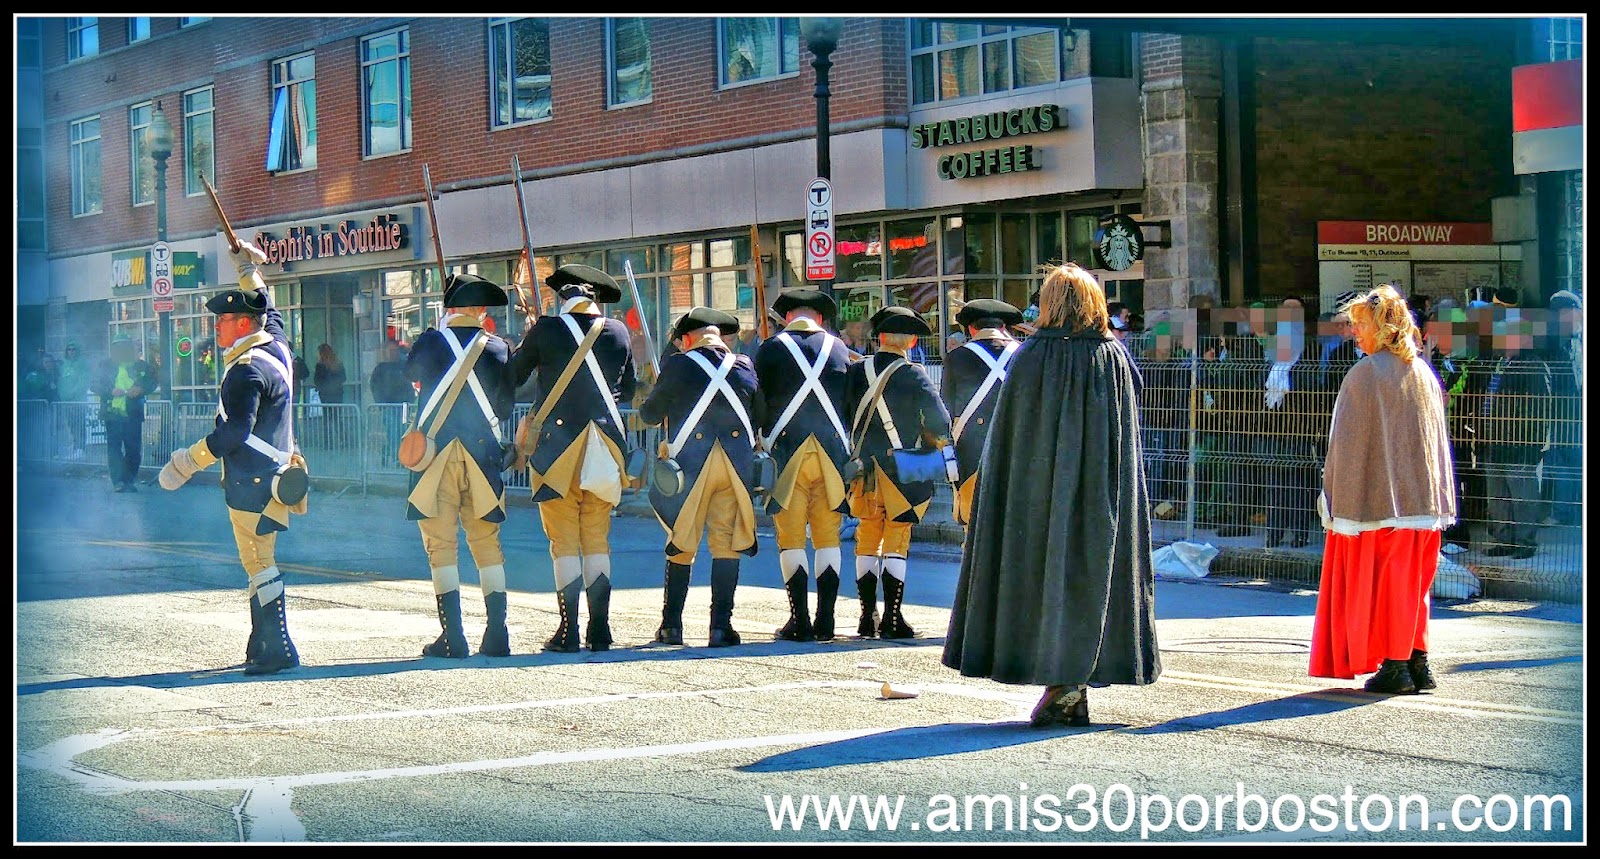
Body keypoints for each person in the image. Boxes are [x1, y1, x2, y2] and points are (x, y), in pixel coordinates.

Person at [943, 262, 1160, 727]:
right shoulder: (1113, 356)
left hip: (1036, 494)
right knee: (1095, 575)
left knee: (1040, 578)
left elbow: (1009, 435)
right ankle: (1072, 684)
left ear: (1048, 304)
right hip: (1102, 492)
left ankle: (1061, 683)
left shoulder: (1031, 356)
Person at [157, 241, 305, 675]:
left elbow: (235, 432)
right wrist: (247, 267)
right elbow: (270, 310)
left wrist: (187, 461)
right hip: (276, 473)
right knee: (260, 561)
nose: (216, 327)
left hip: (252, 478)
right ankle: (262, 644)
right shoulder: (274, 348)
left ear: (242, 324)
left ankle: (277, 649)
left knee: (259, 563)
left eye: (223, 320)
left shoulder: (245, 371)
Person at [1310, 285, 1456, 694]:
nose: (1354, 332)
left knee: (1388, 585)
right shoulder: (1424, 372)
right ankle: (1416, 660)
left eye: (1359, 325)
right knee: (1414, 585)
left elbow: (1348, 443)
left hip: (1380, 500)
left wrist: (1337, 498)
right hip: (1424, 502)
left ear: (1378, 326)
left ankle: (1395, 667)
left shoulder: (1366, 373)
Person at [509, 264, 636, 653]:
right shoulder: (618, 331)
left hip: (558, 447)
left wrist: (532, 342)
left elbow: (514, 375)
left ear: (561, 299)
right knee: (596, 539)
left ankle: (569, 631)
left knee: (564, 542)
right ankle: (601, 630)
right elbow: (627, 389)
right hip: (605, 444)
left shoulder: (547, 329)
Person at [403, 273, 518, 659]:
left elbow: (409, 375)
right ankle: (497, 633)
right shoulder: (499, 347)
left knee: (442, 547)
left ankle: (453, 637)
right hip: (482, 457)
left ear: (450, 309)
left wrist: (437, 334)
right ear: (481, 311)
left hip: (436, 458)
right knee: (487, 545)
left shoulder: (432, 342)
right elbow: (503, 407)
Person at [638, 307, 761, 648]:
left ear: (688, 340)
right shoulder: (744, 366)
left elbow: (649, 414)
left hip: (691, 466)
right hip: (734, 466)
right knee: (726, 544)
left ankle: (671, 626)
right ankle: (721, 628)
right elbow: (760, 414)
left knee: (681, 543)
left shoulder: (678, 365)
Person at [843, 305, 954, 640]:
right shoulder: (913, 373)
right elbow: (940, 421)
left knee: (866, 537)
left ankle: (866, 616)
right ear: (911, 341)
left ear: (880, 337)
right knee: (896, 539)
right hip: (901, 470)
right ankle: (892, 618)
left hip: (863, 468)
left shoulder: (856, 371)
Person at [754, 288, 853, 642]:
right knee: (828, 538)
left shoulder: (770, 349)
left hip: (787, 453)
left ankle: (799, 620)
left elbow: (757, 399)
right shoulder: (840, 348)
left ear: (786, 317)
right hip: (831, 456)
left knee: (791, 538)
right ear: (820, 318)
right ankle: (826, 620)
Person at [1474, 307, 1552, 560]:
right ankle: (1504, 540)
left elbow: (1541, 409)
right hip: (1494, 442)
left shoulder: (1533, 366)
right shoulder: (1499, 363)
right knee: (1497, 496)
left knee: (1523, 496)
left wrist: (1533, 444)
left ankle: (1524, 542)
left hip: (1519, 444)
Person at [939, 298, 1023, 531]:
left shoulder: (957, 357)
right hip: (1017, 451)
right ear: (1004, 327)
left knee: (973, 525)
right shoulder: (1024, 355)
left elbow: (946, 407)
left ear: (971, 329)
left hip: (971, 452)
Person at [93, 336, 160, 492]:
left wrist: (141, 389)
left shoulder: (141, 365)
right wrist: (110, 391)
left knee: (133, 448)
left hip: (133, 413)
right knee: (114, 448)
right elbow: (94, 384)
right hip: (112, 413)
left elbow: (153, 380)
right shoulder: (105, 365)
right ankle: (117, 481)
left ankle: (129, 480)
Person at [1543, 290, 1582, 527]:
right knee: (1562, 461)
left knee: (1568, 461)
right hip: (1564, 412)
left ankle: (1565, 512)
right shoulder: (1563, 341)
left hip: (1572, 413)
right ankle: (1565, 511)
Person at [58, 341, 92, 459]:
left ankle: (81, 448)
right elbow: (61, 382)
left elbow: (83, 382)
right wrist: (63, 396)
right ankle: (75, 445)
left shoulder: (82, 364)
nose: (71, 351)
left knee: (79, 425)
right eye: (69, 349)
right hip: (66, 401)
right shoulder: (64, 365)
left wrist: (73, 394)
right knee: (71, 425)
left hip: (78, 401)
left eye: (73, 349)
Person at [313, 343, 347, 448]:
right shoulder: (338, 364)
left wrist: (322, 386)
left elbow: (317, 380)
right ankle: (343, 441)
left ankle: (328, 443)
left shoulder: (320, 365)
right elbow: (343, 378)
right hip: (337, 394)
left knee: (327, 419)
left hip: (326, 395)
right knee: (337, 419)